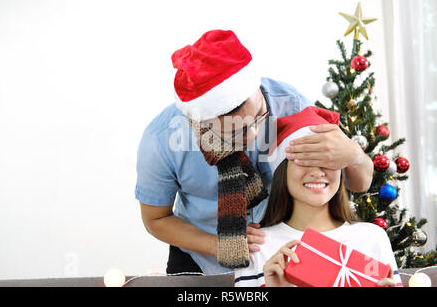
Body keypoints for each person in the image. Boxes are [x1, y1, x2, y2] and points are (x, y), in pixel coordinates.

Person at [135, 29, 374, 275]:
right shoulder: (162, 138)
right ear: (204, 123)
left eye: (259, 117)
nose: (254, 136)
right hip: (201, 259)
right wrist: (217, 246)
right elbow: (156, 219)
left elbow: (358, 184)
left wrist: (354, 156)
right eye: (234, 133)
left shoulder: (292, 105)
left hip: (283, 254)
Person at [233, 106, 403, 287]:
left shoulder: (372, 238)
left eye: (327, 161)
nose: (317, 172)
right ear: (283, 171)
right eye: (304, 160)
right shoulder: (256, 248)